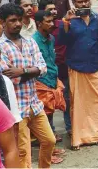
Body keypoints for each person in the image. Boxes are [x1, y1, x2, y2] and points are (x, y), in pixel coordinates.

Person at [0, 3, 55, 168]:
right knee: (23, 152)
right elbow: (10, 78)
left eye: (19, 20)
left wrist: (21, 71)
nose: (17, 24)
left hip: (34, 104)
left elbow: (43, 69)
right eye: (12, 20)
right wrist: (31, 71)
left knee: (49, 140)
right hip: (16, 109)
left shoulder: (30, 42)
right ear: (2, 22)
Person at [59, 0, 98, 150]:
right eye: (80, 2)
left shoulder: (95, 20)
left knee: (97, 102)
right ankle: (78, 139)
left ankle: (95, 135)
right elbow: (62, 40)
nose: (84, 4)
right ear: (74, 3)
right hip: (77, 67)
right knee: (78, 104)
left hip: (94, 66)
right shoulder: (70, 21)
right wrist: (66, 21)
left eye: (86, 1)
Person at [32, 10, 67, 164]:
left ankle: (50, 148)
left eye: (52, 21)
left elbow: (52, 60)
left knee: (50, 114)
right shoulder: (33, 41)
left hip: (52, 79)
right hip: (41, 82)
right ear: (39, 23)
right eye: (48, 22)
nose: (52, 24)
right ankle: (46, 153)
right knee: (43, 118)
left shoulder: (51, 38)